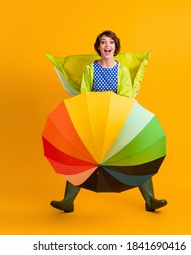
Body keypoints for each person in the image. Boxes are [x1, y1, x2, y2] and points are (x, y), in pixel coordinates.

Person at [50, 30, 167, 212]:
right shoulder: (90, 69)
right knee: (82, 156)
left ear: (115, 47)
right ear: (98, 47)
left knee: (136, 155)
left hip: (118, 121)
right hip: (95, 121)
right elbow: (84, 95)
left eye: (110, 42)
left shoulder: (122, 71)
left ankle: (150, 199)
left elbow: (127, 97)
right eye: (103, 42)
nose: (107, 46)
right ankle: (67, 201)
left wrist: (113, 109)